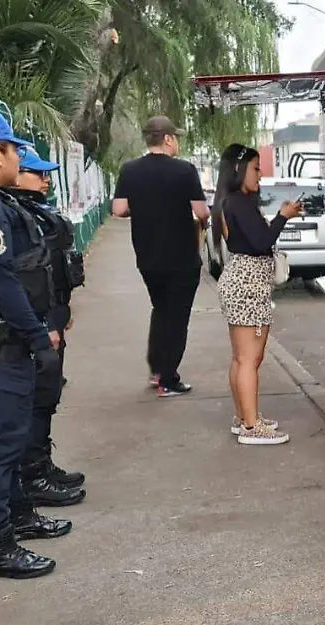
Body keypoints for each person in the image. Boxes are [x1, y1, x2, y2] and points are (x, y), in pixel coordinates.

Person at [0, 108, 70, 579]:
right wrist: (36, 335)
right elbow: (1, 279)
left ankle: (17, 517)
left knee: (7, 441)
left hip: (0, 339)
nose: (17, 157)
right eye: (12, 149)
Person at [5, 147, 87, 506]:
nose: (47, 180)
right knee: (38, 396)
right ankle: (33, 475)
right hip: (36, 322)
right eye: (38, 173)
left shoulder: (33, 211)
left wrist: (61, 310)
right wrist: (44, 323)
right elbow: (23, 278)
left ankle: (41, 465)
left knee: (48, 394)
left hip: (51, 313)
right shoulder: (10, 214)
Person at [111, 116, 209, 397]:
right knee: (177, 317)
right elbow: (202, 212)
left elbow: (118, 210)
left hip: (147, 256)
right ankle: (169, 378)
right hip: (181, 257)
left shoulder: (129, 170)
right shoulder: (185, 171)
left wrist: (142, 210)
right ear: (167, 139)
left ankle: (157, 369)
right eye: (175, 137)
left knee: (161, 309)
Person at [213, 143, 301, 445]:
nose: (260, 175)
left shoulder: (229, 201)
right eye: (256, 168)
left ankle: (245, 418)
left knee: (241, 358)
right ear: (239, 170)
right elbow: (262, 240)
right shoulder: (239, 202)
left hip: (240, 280)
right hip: (248, 284)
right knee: (250, 358)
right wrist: (282, 216)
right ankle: (252, 427)